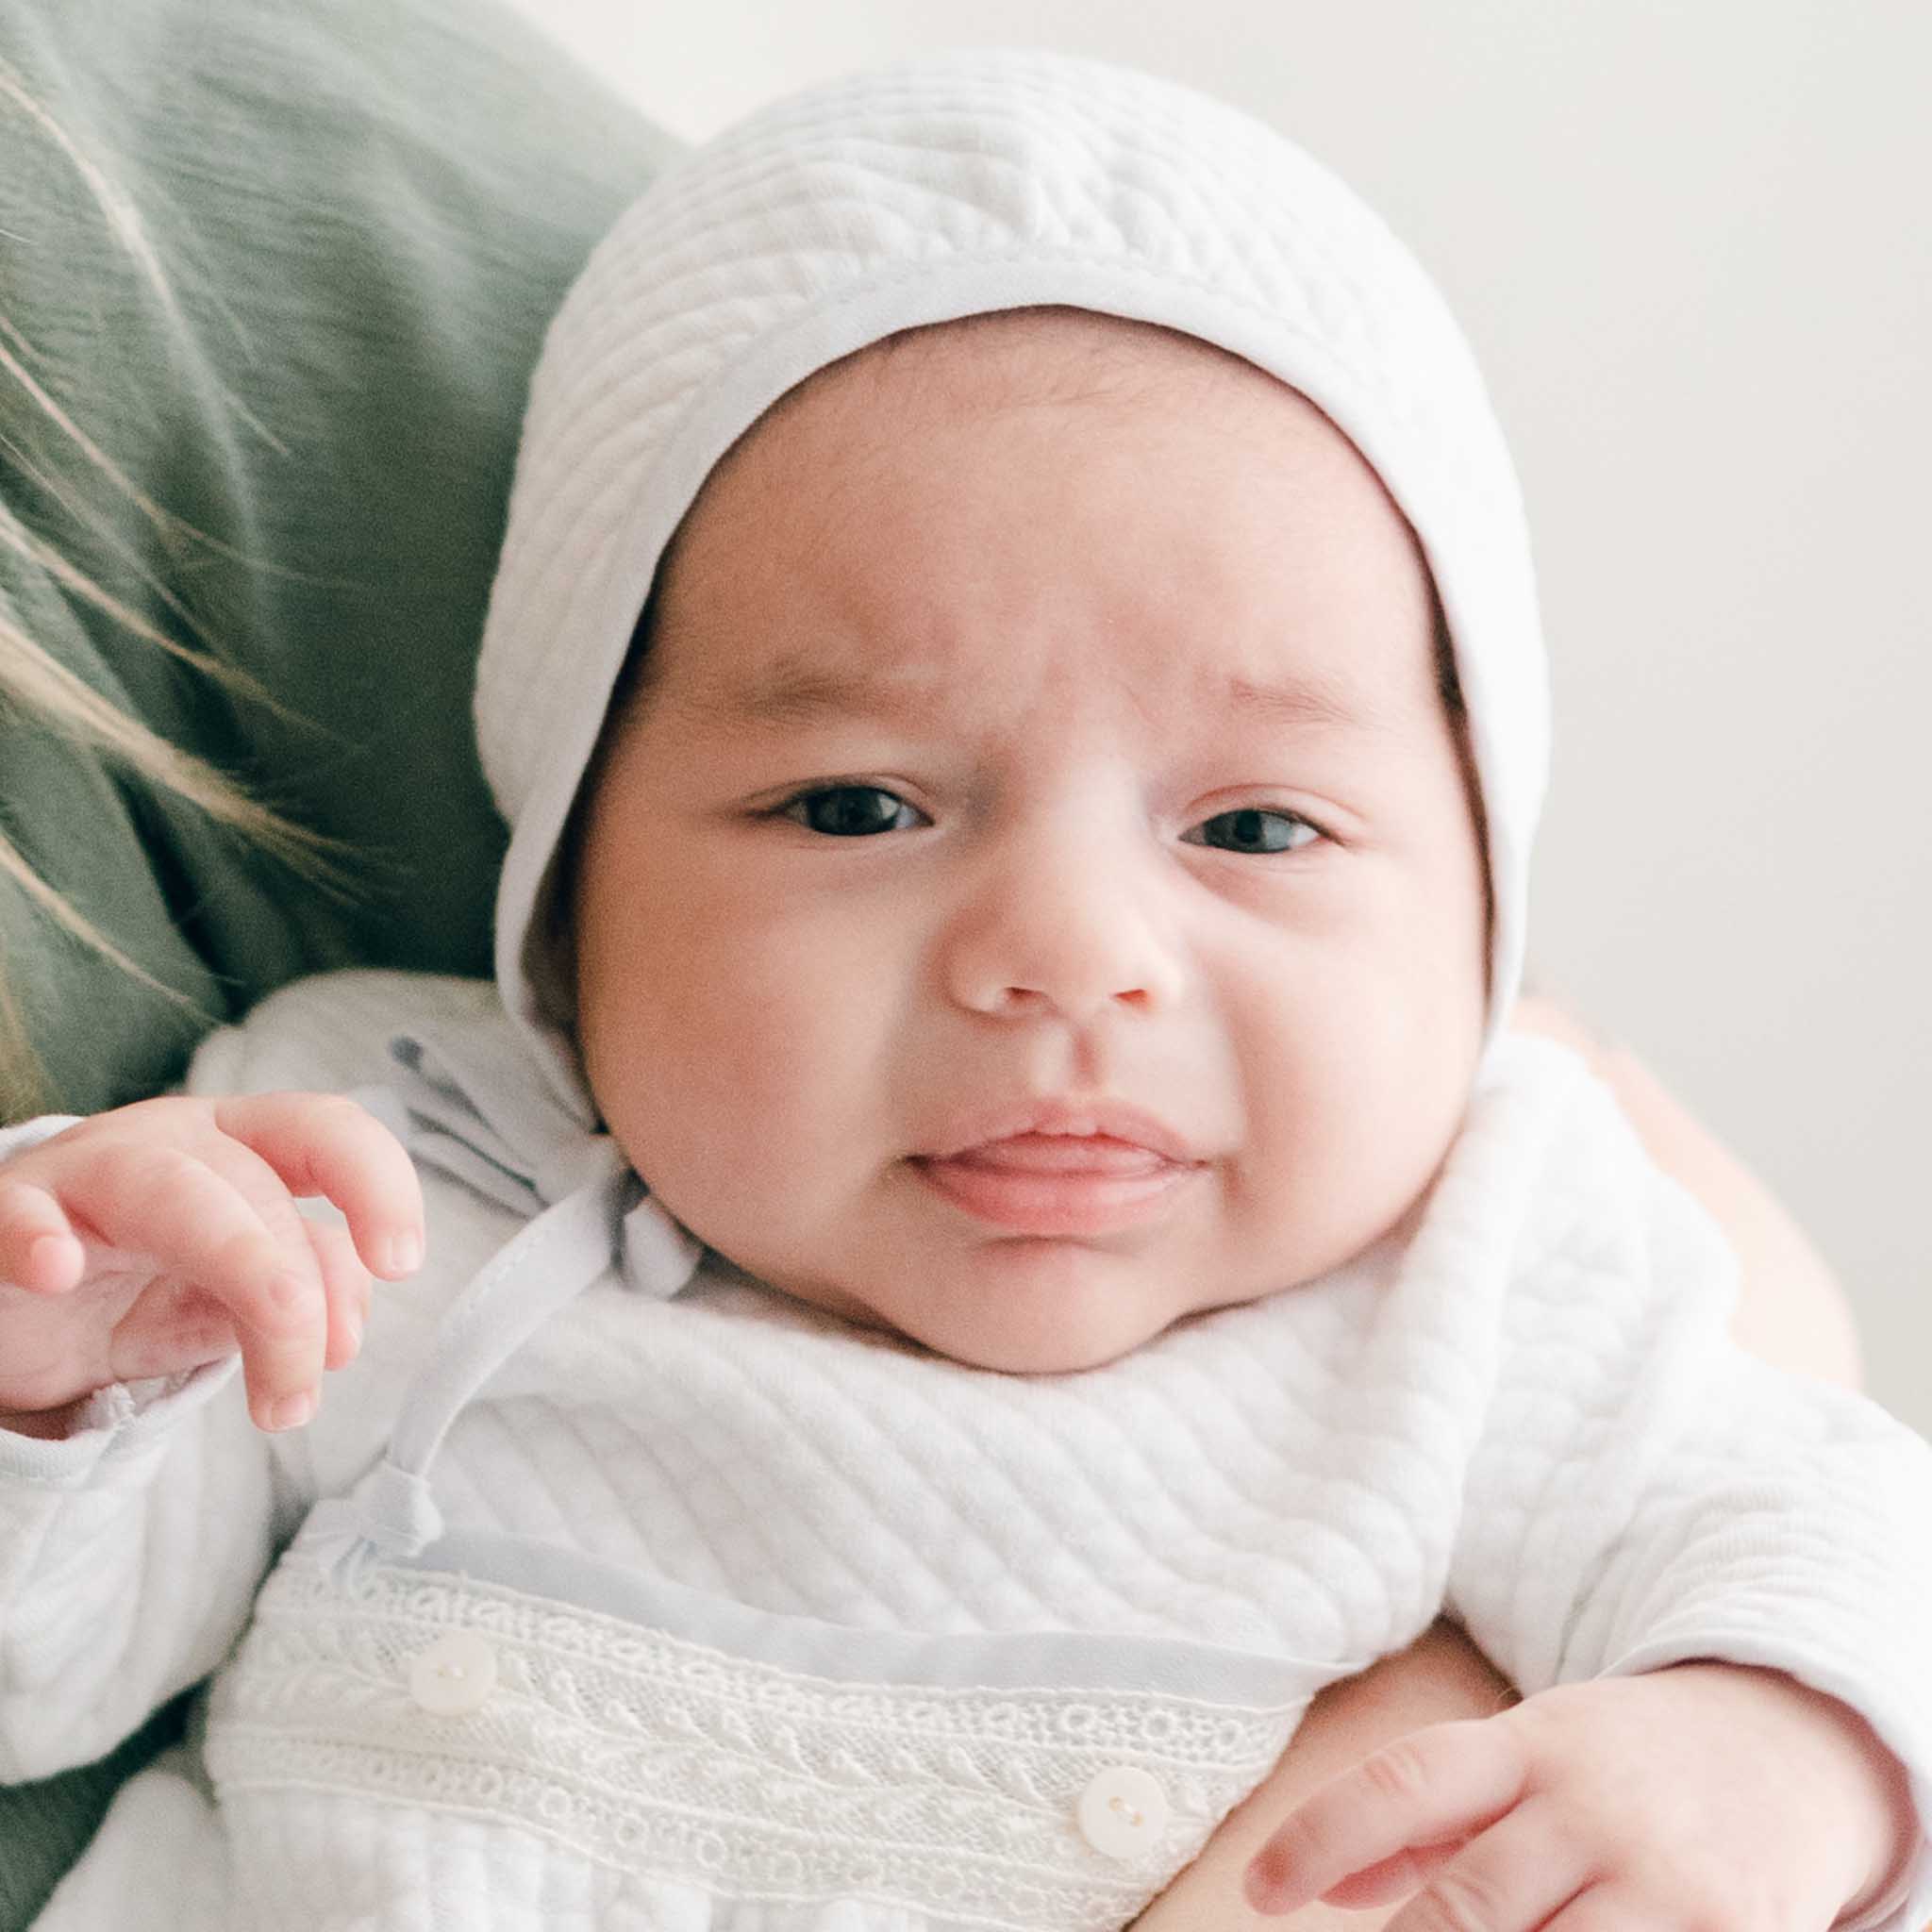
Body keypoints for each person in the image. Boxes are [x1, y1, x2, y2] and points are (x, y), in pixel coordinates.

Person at [2, 47, 1927, 1932]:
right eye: (858, 804)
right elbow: (35, 1683)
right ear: (570, 891)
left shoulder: (1498, 1267)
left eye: (1255, 827)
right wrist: (60, 1382)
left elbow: (1841, 1536)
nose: (1070, 950)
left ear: (1479, 928)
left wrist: (1774, 1751)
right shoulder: (381, 1169)